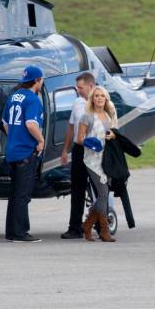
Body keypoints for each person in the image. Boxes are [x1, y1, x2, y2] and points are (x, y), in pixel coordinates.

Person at [2, 65, 45, 243]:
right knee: (23, 195)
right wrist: (41, 141)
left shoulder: (14, 97)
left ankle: (11, 231)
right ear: (37, 80)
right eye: (41, 80)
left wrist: (14, 136)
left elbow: (5, 123)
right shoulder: (33, 100)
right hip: (25, 152)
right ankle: (20, 232)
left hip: (12, 151)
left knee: (14, 194)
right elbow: (31, 124)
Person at [77, 86, 118, 242]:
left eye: (102, 96)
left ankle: (87, 226)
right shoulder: (86, 117)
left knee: (104, 194)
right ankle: (104, 230)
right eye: (97, 96)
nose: (100, 98)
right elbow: (79, 139)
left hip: (106, 160)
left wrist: (113, 135)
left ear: (106, 99)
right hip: (92, 160)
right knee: (103, 193)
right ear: (92, 99)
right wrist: (91, 142)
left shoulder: (109, 115)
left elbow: (115, 133)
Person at [60, 72, 96, 239]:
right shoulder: (76, 102)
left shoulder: (100, 100)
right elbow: (71, 128)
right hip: (79, 148)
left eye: (80, 87)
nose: (78, 90)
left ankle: (102, 222)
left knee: (99, 187)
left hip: (95, 149)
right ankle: (75, 227)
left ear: (90, 86)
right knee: (77, 189)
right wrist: (65, 150)